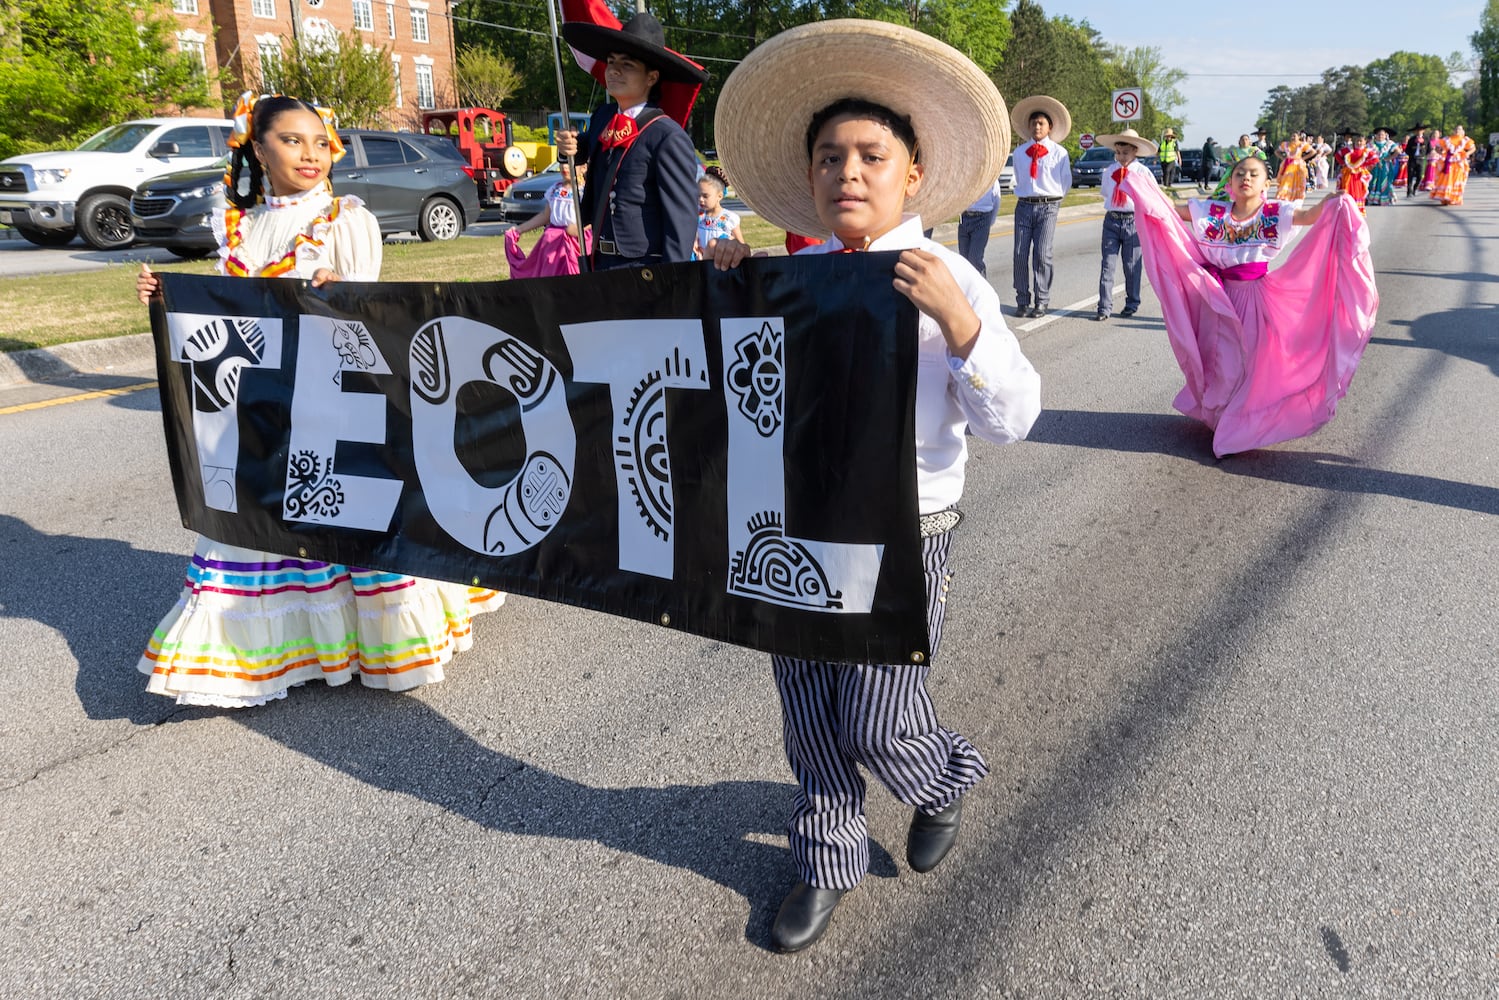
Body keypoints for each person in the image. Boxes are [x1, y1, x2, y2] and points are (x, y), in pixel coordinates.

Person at [709, 17, 1041, 953]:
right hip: (790, 526)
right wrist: (726, 288)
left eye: (869, 154)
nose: (846, 173)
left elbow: (1015, 416)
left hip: (905, 528)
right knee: (809, 704)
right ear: (809, 176)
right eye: (828, 156)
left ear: (910, 171)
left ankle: (940, 779)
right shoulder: (788, 277)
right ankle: (826, 853)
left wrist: (960, 327)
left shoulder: (951, 278)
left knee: (880, 713)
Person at [134, 94, 504, 707]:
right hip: (257, 404)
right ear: (258, 149)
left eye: (317, 141)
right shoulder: (238, 226)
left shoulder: (344, 217)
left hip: (334, 396)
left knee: (343, 509)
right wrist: (164, 297)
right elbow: (221, 319)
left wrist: (345, 296)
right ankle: (276, 651)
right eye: (291, 141)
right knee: (257, 513)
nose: (310, 155)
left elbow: (375, 319)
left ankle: (370, 636)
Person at [1121, 150, 1378, 457]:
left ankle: (1241, 425)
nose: (1246, 178)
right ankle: (1223, 417)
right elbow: (1169, 211)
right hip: (1219, 298)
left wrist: (1334, 200)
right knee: (1222, 361)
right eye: (1240, 173)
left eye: (1254, 174)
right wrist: (1140, 185)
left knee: (1252, 361)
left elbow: (1309, 217)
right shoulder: (1212, 211)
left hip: (1257, 298)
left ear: (1265, 183)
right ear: (1230, 182)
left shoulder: (1275, 212)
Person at [554, 11, 708, 269]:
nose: (614, 70)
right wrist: (568, 148)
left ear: (651, 77)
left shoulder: (667, 136)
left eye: (627, 64)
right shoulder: (602, 117)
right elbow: (589, 147)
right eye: (612, 61)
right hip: (599, 260)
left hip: (643, 267)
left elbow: (680, 218)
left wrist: (674, 281)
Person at [1010, 95, 1073, 317]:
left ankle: (1042, 300)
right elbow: (1019, 177)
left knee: (1042, 252)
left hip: (1048, 206)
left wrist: (1052, 199)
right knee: (1019, 253)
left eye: (1041, 123)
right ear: (1028, 126)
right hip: (1024, 205)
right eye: (1034, 123)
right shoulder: (1019, 153)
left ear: (1050, 127)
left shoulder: (1059, 153)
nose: (1037, 127)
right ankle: (1022, 299)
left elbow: (1065, 181)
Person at [1093, 127, 1157, 321]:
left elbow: (1152, 196)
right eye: (1118, 153)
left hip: (1132, 221)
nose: (1121, 156)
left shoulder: (1142, 172)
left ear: (1135, 151)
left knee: (1131, 265)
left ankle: (1132, 302)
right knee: (1107, 265)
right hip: (1112, 219)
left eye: (1126, 153)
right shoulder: (1109, 171)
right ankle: (1104, 307)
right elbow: (1106, 192)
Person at [504, 161, 588, 278]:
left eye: (569, 163)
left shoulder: (585, 192)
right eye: (562, 163)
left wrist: (580, 229)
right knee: (549, 277)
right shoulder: (555, 189)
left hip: (575, 246)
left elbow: (593, 220)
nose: (564, 166)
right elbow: (545, 215)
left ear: (583, 167)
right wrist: (519, 229)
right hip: (552, 244)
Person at [692, 164, 743, 258]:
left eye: (705, 196)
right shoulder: (698, 216)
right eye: (698, 195)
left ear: (719, 196)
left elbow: (741, 245)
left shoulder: (729, 218)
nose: (701, 199)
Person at [957, 175, 1003, 276]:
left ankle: (981, 287)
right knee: (964, 259)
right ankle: (966, 290)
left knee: (975, 258)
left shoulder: (991, 177)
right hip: (964, 218)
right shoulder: (964, 176)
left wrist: (990, 221)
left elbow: (996, 199)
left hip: (982, 218)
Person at [1431, 125, 1477, 206]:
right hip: (1448, 161)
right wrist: (1440, 153)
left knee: (1457, 179)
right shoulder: (1447, 139)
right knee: (1447, 178)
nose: (1457, 131)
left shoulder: (1465, 139)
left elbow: (1473, 148)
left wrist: (1467, 154)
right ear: (1453, 130)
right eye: (1456, 129)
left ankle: (1454, 198)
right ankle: (1445, 196)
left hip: (1459, 162)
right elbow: (1438, 147)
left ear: (1462, 131)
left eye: (1459, 129)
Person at [1336, 135, 1379, 214]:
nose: (1359, 143)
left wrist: (1364, 164)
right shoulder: (1348, 150)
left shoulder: (1366, 151)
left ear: (1365, 142)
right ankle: (1346, 208)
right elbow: (1337, 155)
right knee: (1347, 189)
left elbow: (1375, 159)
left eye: (1361, 141)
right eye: (1357, 141)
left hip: (1358, 175)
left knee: (1358, 190)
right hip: (1348, 174)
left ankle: (1357, 210)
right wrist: (1343, 164)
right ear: (1354, 141)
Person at [1366, 128, 1400, 206]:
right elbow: (1366, 153)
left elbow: (1398, 151)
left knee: (1385, 180)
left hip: (1386, 166)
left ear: (1385, 135)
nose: (1380, 136)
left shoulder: (1389, 143)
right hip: (1374, 166)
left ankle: (1385, 199)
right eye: (1379, 134)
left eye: (1382, 134)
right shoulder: (1371, 144)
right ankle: (1374, 199)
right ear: (1376, 136)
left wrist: (1389, 158)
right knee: (1374, 181)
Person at [1275, 131, 1310, 204]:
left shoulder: (1302, 144)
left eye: (1295, 136)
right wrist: (1283, 158)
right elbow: (1277, 152)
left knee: (1297, 181)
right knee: (1286, 180)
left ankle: (1296, 196)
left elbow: (1313, 151)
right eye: (1292, 136)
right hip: (1288, 165)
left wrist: (1302, 159)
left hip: (1297, 166)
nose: (1293, 137)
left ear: (1299, 137)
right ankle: (1284, 195)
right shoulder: (1286, 144)